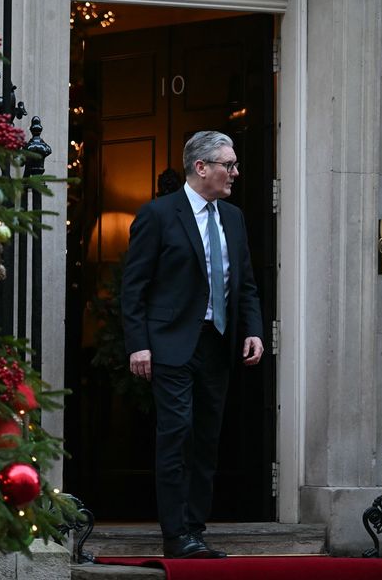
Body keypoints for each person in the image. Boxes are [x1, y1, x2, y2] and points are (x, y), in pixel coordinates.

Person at [121, 131, 264, 559]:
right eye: (228, 164)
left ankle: (195, 530)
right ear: (201, 167)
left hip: (217, 345)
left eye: (234, 164)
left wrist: (253, 329)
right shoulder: (159, 215)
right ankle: (175, 535)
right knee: (177, 434)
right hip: (170, 345)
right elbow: (134, 287)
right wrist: (138, 345)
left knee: (206, 440)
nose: (235, 173)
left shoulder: (233, 218)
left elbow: (247, 284)